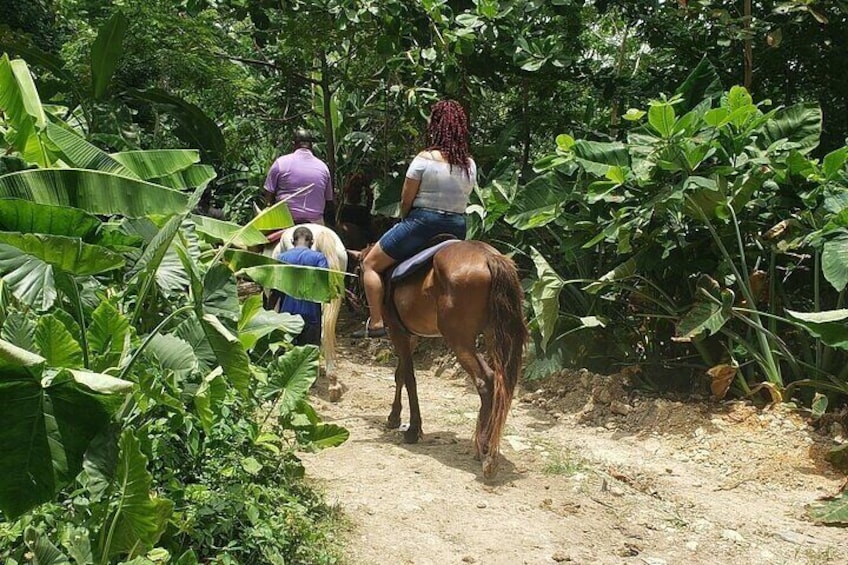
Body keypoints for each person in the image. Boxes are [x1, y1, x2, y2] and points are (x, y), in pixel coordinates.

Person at [353, 99, 477, 339]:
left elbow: (406, 199)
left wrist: (404, 218)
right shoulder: (469, 164)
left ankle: (376, 322)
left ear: (436, 127)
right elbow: (466, 195)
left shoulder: (424, 159)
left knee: (370, 264)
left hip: (422, 223)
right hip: (457, 226)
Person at [264, 128, 335, 225]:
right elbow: (328, 201)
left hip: (285, 221)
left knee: (262, 239)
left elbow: (269, 193)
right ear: (311, 145)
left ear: (294, 144)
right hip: (315, 222)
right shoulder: (323, 167)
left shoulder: (281, 162)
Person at [274, 226, 329, 346]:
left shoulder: (281, 258)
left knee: (286, 353)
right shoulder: (319, 258)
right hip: (311, 315)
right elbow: (324, 286)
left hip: (286, 315)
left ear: (293, 242)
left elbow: (275, 289)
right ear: (312, 242)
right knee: (308, 354)